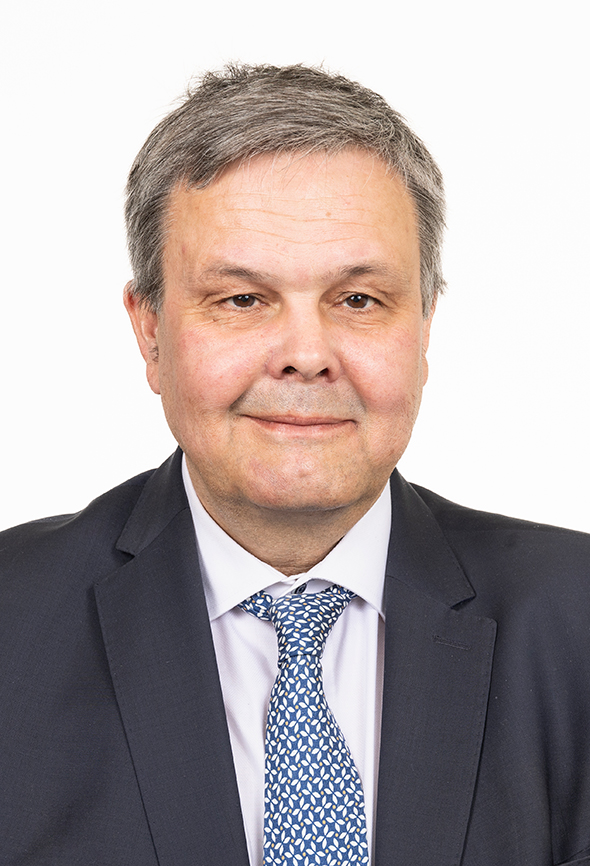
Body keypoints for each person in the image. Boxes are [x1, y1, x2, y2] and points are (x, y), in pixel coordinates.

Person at [1, 64, 589, 866]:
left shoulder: (576, 621)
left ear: (424, 328)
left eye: (359, 300)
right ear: (150, 332)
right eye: (242, 299)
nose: (307, 355)